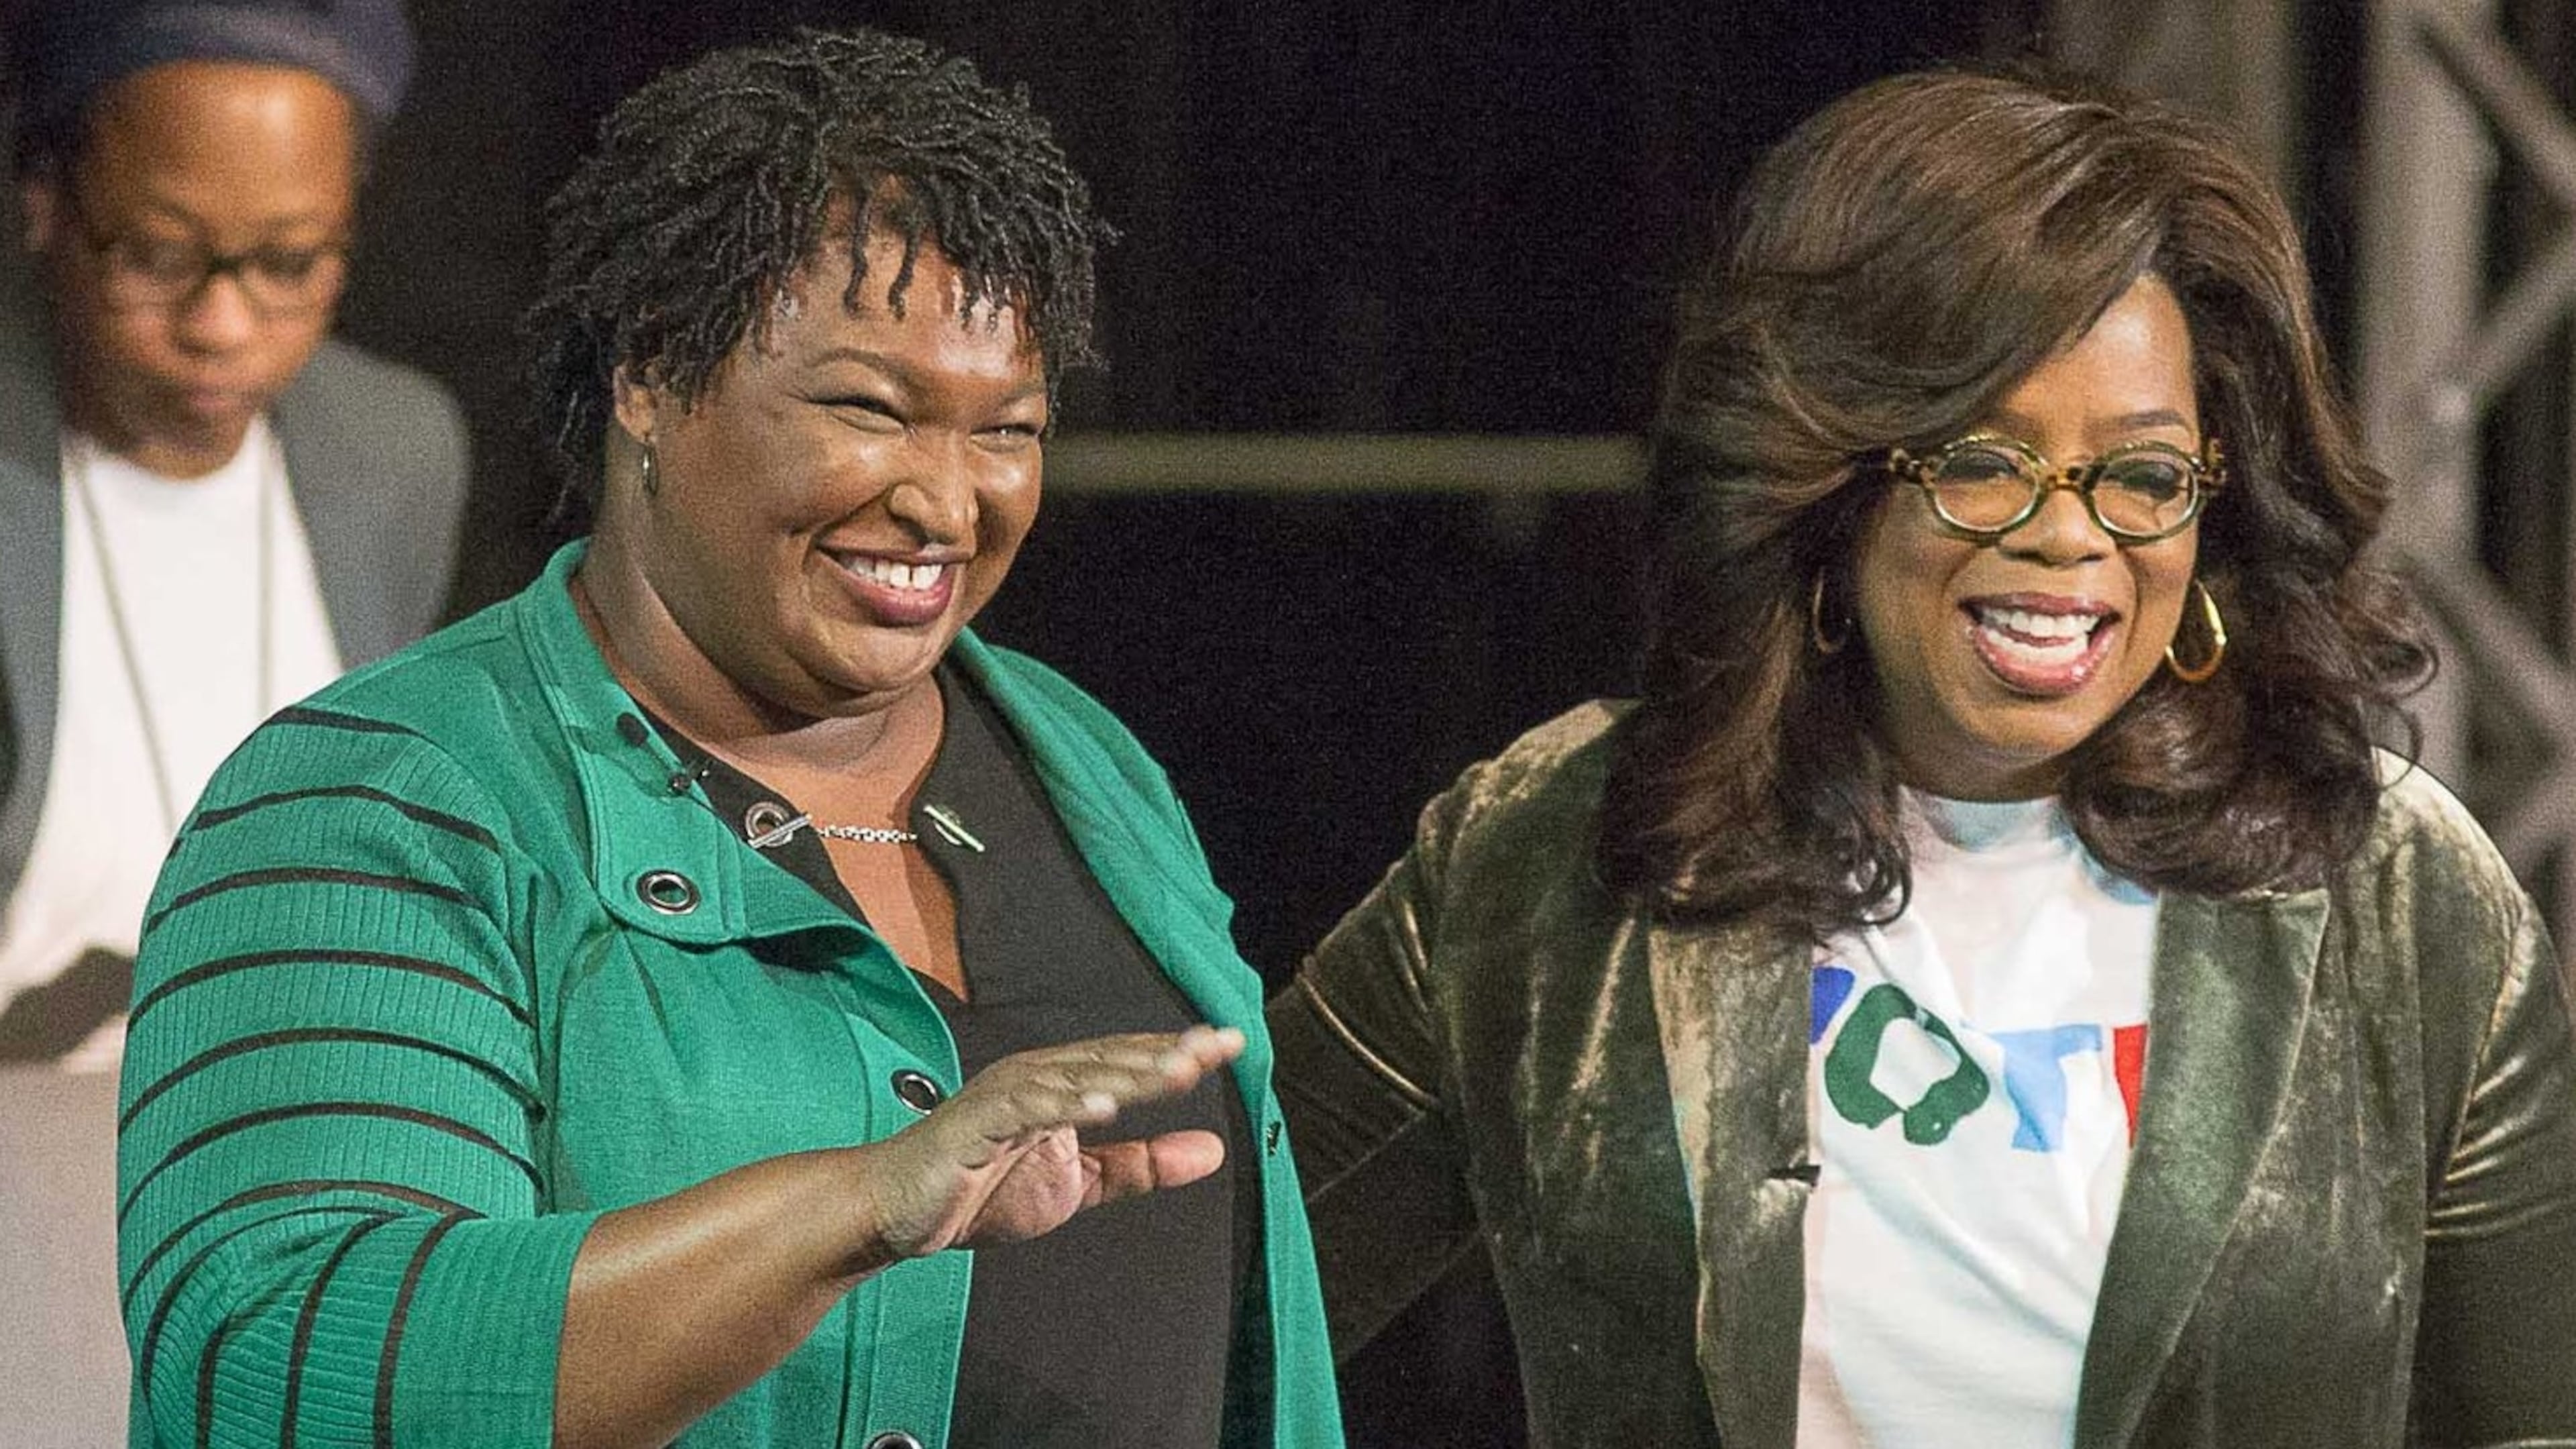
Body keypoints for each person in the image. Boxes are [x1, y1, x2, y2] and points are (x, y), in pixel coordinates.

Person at [1270, 67, 2576, 1448]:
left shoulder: (2396, 894)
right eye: (1983, 463)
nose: (2070, 540)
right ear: (1830, 478)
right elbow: (1186, 1304)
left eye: (2139, 478)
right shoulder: (1551, 851)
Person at [116, 28, 1342, 1449]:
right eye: (867, 410)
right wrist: (860, 1203)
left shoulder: (1084, 763)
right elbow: (282, 1356)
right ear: (650, 377)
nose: (947, 503)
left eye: (1006, 428)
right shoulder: (379, 803)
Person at [0, 3, 464, 1442]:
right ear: (42, 201)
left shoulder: (398, 450)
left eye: (288, 266)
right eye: (157, 255)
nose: (221, 326)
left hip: (321, 1196)